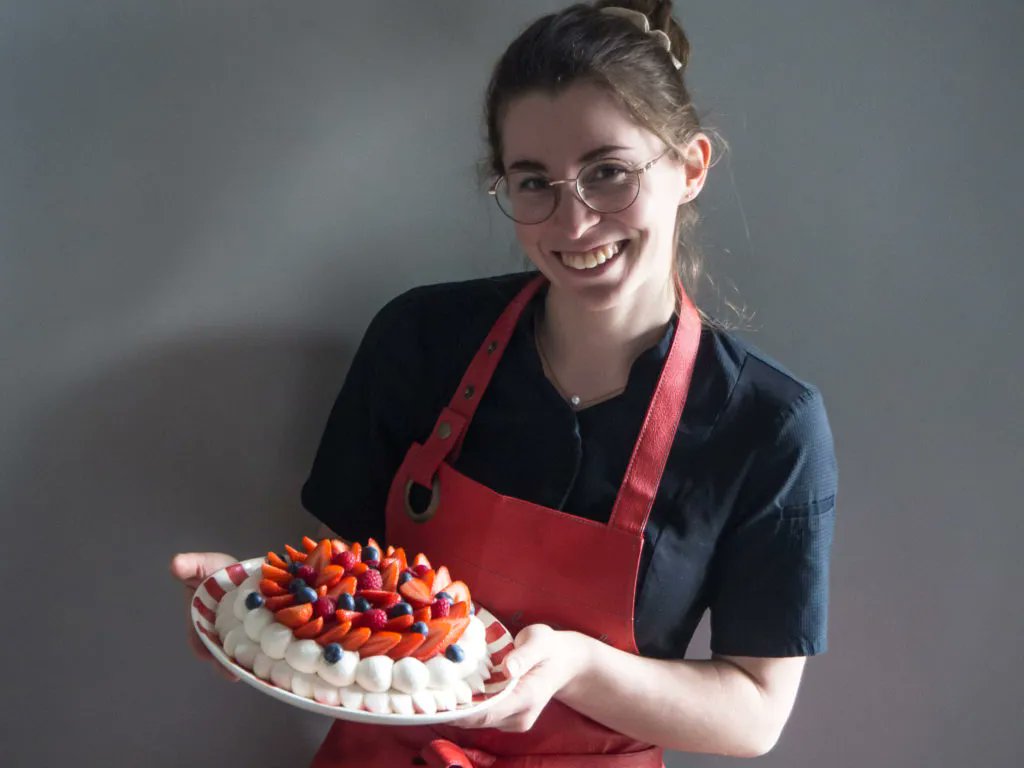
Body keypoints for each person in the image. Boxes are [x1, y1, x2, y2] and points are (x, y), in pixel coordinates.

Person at [171, 1, 838, 765]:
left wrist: (577, 667)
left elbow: (753, 715)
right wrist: (255, 616)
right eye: (533, 183)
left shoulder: (768, 423)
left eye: (609, 172)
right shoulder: (420, 340)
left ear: (690, 168)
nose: (574, 221)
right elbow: (349, 587)